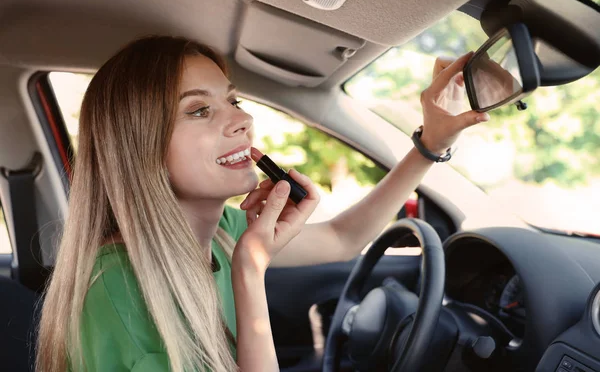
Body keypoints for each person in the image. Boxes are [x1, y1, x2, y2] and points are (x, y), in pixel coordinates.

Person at [35, 36, 489, 372]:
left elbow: (343, 236)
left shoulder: (223, 232)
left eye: (231, 100)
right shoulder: (115, 293)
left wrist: (429, 143)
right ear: (140, 146)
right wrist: (249, 270)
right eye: (198, 110)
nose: (244, 118)